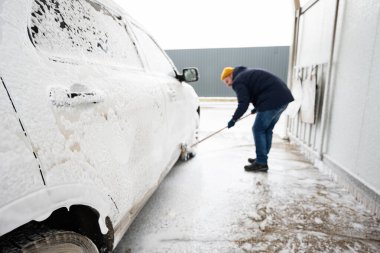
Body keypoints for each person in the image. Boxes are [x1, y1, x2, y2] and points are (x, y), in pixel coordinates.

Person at [221, 66, 294, 172]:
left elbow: (243, 103)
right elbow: (260, 88)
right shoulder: (244, 74)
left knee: (258, 129)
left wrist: (234, 119)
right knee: (266, 129)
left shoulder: (238, 81)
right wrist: (257, 108)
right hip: (283, 98)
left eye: (227, 81)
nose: (228, 85)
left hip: (272, 100)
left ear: (231, 75)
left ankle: (261, 162)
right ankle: (262, 158)